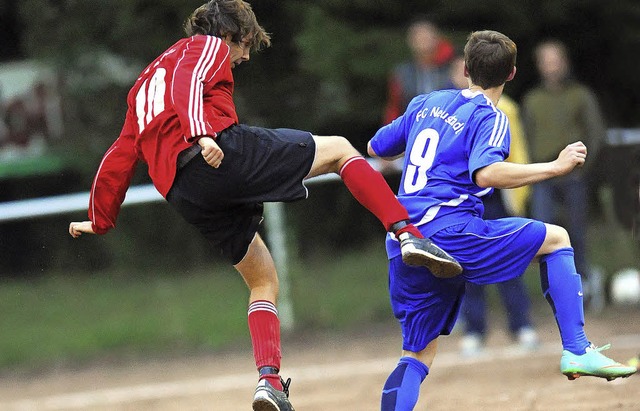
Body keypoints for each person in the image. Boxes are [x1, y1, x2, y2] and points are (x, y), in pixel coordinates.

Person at [67, 1, 460, 410]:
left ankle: (269, 380)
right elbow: (188, 81)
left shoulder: (142, 88)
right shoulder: (201, 46)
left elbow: (121, 153)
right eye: (246, 44)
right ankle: (408, 232)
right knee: (341, 151)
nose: (246, 55)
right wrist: (201, 134)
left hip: (185, 193)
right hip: (216, 151)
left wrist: (101, 216)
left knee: (262, 278)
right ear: (230, 34)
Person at [367, 30, 636, 411]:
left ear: (463, 68)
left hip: (405, 238)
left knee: (416, 355)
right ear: (511, 74)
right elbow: (487, 174)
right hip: (449, 229)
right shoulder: (491, 117)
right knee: (557, 238)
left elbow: (376, 146)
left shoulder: (426, 101)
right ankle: (577, 349)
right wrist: (554, 167)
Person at [448, 55, 539, 356]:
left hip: (497, 196)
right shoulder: (445, 110)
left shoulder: (506, 109)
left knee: (509, 261)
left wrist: (519, 196)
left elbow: (518, 154)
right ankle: (475, 329)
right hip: (462, 201)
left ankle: (521, 325)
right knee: (466, 266)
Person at [522, 39, 606, 312]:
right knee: (543, 235)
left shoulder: (580, 95)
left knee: (577, 234)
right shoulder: (532, 100)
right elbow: (524, 138)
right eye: (545, 61)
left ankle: (586, 288)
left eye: (555, 59)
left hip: (573, 177)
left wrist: (584, 168)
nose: (551, 66)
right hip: (542, 176)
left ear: (564, 62)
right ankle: (556, 293)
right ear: (539, 66)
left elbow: (595, 133)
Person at [383, 17, 455, 125]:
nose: (423, 41)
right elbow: (394, 108)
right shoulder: (402, 73)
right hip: (413, 130)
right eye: (418, 37)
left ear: (436, 38)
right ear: (410, 41)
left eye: (426, 36)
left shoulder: (452, 68)